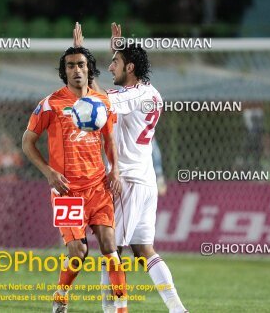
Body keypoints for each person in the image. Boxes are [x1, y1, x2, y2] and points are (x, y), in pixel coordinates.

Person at [74, 22, 188, 313]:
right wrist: (116, 51)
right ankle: (177, 309)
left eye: (115, 63)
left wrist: (79, 56)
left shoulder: (136, 95)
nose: (111, 67)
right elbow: (108, 96)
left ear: (131, 67)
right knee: (143, 250)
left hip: (127, 181)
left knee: (110, 248)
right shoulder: (150, 93)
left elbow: (99, 100)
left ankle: (111, 310)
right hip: (145, 180)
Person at [22, 46, 128, 313]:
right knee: (78, 254)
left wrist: (114, 170)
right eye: (70, 66)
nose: (76, 70)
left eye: (81, 64)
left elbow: (110, 140)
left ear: (89, 69)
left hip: (98, 187)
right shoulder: (51, 103)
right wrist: (48, 172)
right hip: (66, 191)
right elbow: (27, 143)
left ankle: (122, 309)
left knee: (110, 248)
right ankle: (61, 296)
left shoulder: (102, 102)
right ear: (64, 71)